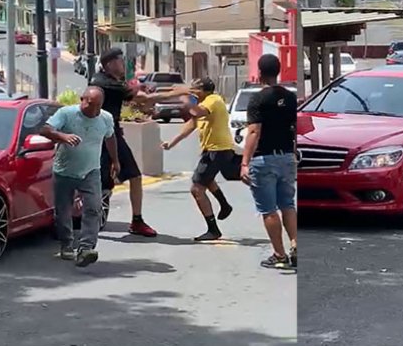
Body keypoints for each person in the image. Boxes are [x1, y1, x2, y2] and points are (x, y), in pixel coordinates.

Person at [90, 48, 189, 237]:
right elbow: (143, 98)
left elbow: (134, 102)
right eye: (120, 61)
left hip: (110, 133)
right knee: (102, 182)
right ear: (110, 63)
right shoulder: (106, 83)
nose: (124, 65)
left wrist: (147, 109)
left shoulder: (106, 81)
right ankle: (93, 222)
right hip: (103, 137)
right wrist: (177, 92)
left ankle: (136, 221)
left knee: (130, 176)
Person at [41, 87, 119, 267]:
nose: (94, 110)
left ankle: (86, 249)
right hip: (64, 171)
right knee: (63, 211)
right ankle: (67, 244)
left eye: (98, 106)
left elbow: (110, 137)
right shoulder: (66, 114)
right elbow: (45, 130)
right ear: (82, 99)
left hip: (91, 171)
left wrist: (115, 161)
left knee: (94, 208)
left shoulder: (105, 118)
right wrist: (62, 136)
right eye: (90, 104)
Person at [241, 54, 298, 269]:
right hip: (286, 157)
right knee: (287, 204)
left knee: (268, 209)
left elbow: (254, 131)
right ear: (278, 71)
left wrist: (244, 162)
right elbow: (295, 129)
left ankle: (280, 254)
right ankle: (295, 243)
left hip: (264, 159)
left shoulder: (258, 99)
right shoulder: (291, 98)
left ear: (259, 73)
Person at [162, 77, 235, 241]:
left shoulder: (213, 100)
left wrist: (184, 98)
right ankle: (225, 205)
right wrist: (172, 143)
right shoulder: (204, 103)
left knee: (196, 189)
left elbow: (196, 112)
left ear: (203, 90)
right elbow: (191, 125)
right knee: (207, 180)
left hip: (218, 150)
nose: (192, 92)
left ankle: (213, 229)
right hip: (213, 150)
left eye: (195, 90)